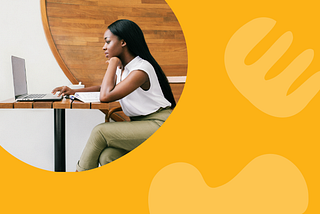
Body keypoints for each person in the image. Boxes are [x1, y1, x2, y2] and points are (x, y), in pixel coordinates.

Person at [52, 19, 176, 172]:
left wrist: (112, 63)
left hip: (158, 124)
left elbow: (106, 96)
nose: (104, 47)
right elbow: (104, 88)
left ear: (123, 42)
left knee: (100, 131)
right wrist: (74, 91)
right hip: (140, 124)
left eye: (108, 42)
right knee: (107, 156)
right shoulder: (124, 68)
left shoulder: (141, 69)